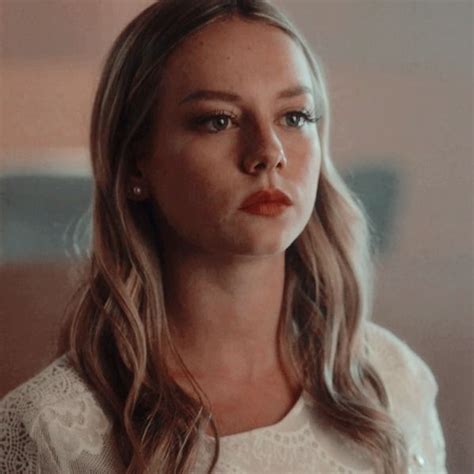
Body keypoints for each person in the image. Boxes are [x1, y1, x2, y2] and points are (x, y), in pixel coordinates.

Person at [0, 1, 446, 473]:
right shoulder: (50, 429)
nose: (268, 153)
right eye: (219, 120)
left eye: (294, 117)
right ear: (135, 164)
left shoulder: (393, 384)